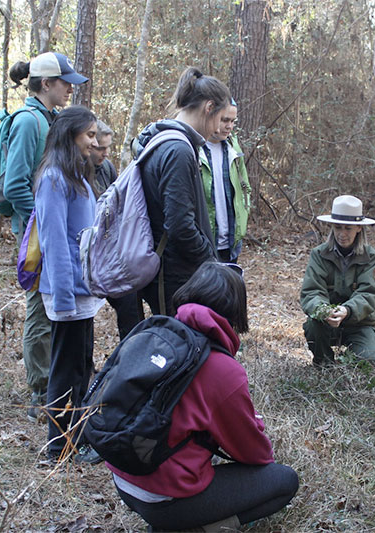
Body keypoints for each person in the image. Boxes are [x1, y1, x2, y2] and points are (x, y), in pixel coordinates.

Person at [108, 262, 299, 531]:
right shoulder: (223, 370)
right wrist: (254, 425)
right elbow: (255, 454)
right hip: (162, 499)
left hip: (122, 477)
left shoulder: (159, 334)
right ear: (236, 311)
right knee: (283, 481)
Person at [4, 52, 88, 420]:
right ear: (45, 84)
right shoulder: (27, 122)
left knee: (48, 315)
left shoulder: (49, 119)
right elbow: (13, 184)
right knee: (42, 313)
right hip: (41, 236)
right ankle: (43, 390)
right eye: (65, 81)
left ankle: (55, 388)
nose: (70, 87)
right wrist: (42, 220)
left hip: (50, 229)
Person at [34, 105, 104, 464]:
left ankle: (75, 439)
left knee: (81, 366)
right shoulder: (53, 178)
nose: (94, 141)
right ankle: (58, 448)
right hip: (67, 294)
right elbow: (54, 242)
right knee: (66, 369)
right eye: (89, 134)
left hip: (83, 289)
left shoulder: (76, 175)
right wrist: (63, 298)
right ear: (70, 135)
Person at [133, 66, 230, 315]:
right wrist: (210, 261)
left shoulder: (167, 141)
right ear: (209, 108)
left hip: (172, 271)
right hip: (174, 275)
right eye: (220, 119)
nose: (219, 129)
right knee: (177, 346)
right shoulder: (178, 150)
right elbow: (179, 225)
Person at [300, 195, 375, 365]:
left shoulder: (371, 257)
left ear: (359, 229)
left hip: (360, 323)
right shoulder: (319, 254)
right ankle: (324, 365)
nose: (342, 234)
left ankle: (354, 358)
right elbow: (311, 292)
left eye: (348, 228)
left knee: (370, 361)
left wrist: (347, 310)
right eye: (337, 227)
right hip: (325, 322)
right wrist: (323, 311)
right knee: (312, 327)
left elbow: (370, 293)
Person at [89, 119, 141, 340]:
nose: (106, 153)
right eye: (101, 148)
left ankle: (131, 355)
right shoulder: (75, 172)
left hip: (110, 252)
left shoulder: (107, 169)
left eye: (108, 147)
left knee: (130, 303)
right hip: (87, 254)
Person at [198, 99, 252, 263]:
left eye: (233, 121)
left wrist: (243, 217)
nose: (229, 126)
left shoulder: (233, 148)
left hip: (230, 244)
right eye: (224, 120)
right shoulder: (195, 149)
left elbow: (245, 188)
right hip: (203, 245)